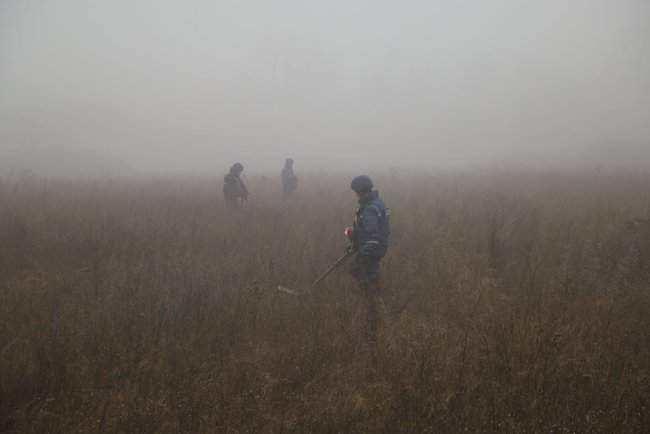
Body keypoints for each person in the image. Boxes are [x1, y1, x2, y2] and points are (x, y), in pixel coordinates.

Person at [345, 175, 390, 365]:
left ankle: (375, 316)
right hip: (373, 250)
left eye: (356, 191)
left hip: (370, 252)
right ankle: (376, 311)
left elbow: (372, 236)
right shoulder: (376, 203)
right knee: (371, 279)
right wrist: (356, 238)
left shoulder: (370, 208)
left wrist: (355, 236)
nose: (355, 195)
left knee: (366, 280)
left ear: (361, 190)